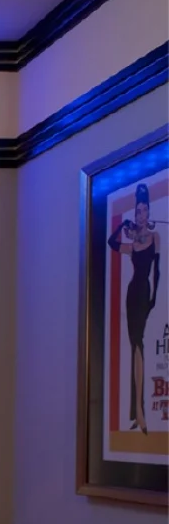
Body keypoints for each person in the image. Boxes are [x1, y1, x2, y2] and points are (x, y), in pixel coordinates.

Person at [108, 182, 161, 435]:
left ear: (149, 212)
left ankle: (138, 411)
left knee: (138, 345)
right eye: (138, 211)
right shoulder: (132, 245)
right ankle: (137, 412)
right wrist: (122, 225)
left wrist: (155, 298)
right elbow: (111, 242)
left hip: (144, 293)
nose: (142, 215)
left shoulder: (154, 238)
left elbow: (157, 271)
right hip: (132, 295)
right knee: (135, 346)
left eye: (144, 211)